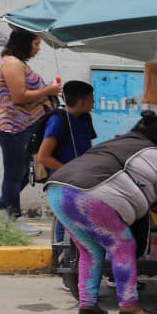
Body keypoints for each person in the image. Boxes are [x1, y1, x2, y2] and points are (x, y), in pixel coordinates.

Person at [46, 111, 157, 314]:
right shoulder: (154, 155)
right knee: (122, 245)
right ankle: (129, 306)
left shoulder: (112, 144)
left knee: (90, 251)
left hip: (57, 191)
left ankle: (87, 305)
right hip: (89, 194)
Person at [0, 27, 62, 233]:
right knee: (14, 175)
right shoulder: (12, 64)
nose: (38, 48)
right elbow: (20, 97)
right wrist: (48, 90)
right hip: (11, 128)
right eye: (36, 43)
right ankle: (14, 219)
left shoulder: (18, 64)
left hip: (22, 127)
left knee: (21, 173)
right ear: (24, 43)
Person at [36, 79, 98, 286]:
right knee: (65, 223)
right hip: (63, 181)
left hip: (82, 179)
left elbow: (88, 148)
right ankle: (66, 270)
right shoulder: (58, 120)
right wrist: (69, 170)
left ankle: (84, 266)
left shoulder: (85, 119)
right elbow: (43, 157)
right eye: (91, 99)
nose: (94, 102)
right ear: (81, 101)